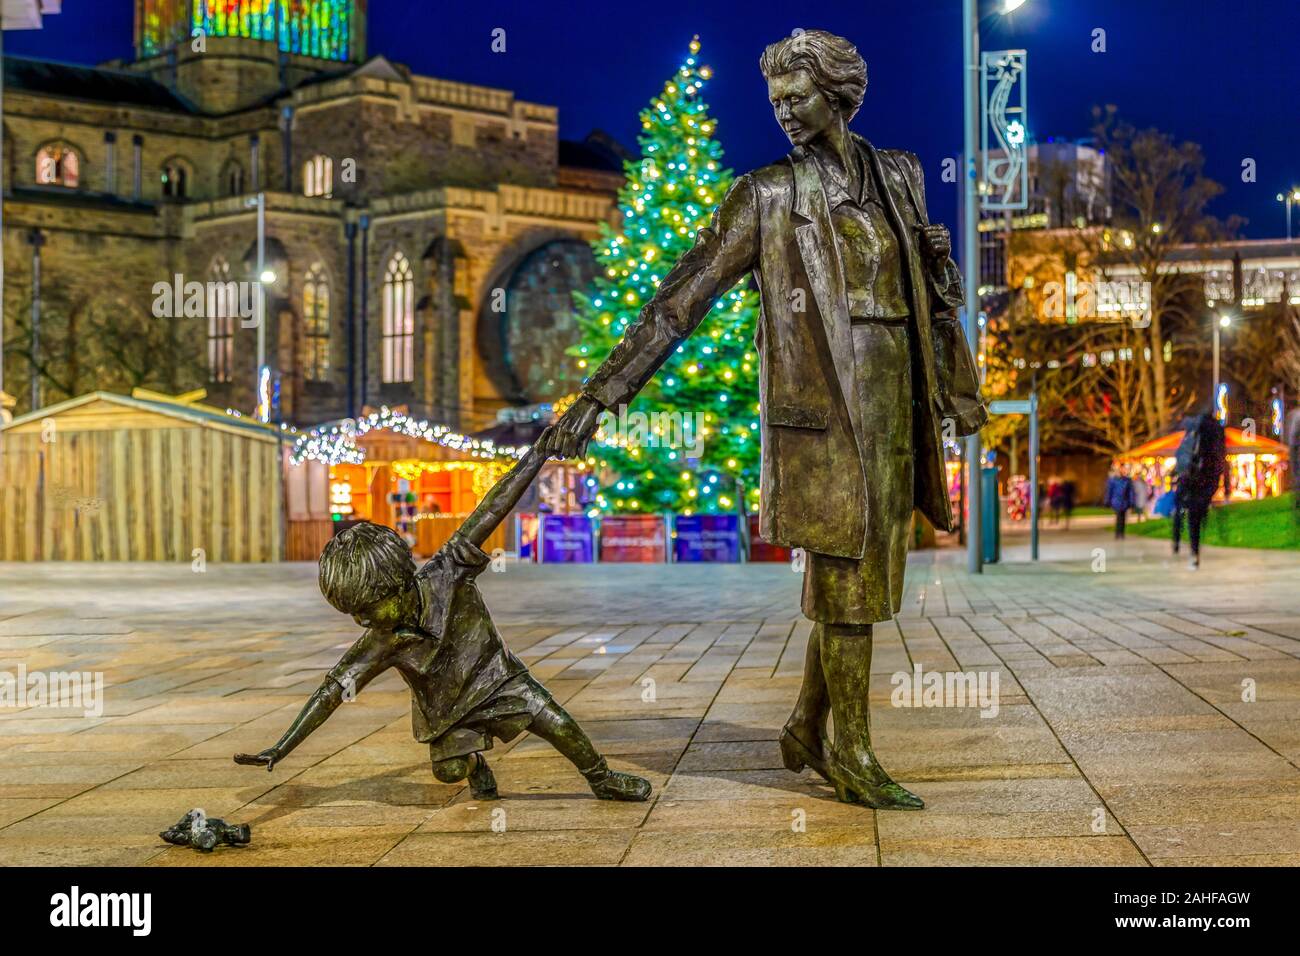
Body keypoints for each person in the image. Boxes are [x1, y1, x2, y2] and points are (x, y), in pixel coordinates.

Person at [538, 31, 985, 809]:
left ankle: (809, 729)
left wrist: (956, 381)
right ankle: (852, 753)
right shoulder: (767, 196)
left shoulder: (900, 176)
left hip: (893, 406)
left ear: (838, 94)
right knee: (846, 587)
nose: (784, 112)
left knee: (867, 583)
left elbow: (931, 294)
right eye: (775, 101)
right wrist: (600, 395)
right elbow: (681, 298)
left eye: (798, 97)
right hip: (822, 420)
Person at [234, 438, 651, 803]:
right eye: (353, 613)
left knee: (556, 722)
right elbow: (329, 694)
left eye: (368, 607)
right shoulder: (380, 641)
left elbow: (494, 506)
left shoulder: (448, 570)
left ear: (398, 583)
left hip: (497, 677)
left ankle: (601, 777)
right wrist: (281, 747)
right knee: (449, 771)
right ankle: (476, 766)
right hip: (446, 709)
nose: (362, 621)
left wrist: (539, 453)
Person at [1171, 412, 1230, 569]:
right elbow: (1223, 460)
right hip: (1208, 479)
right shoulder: (1218, 431)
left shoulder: (1193, 427)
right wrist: (1227, 488)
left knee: (1189, 515)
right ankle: (1194, 547)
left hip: (1190, 477)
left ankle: (1189, 549)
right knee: (1197, 513)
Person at [1104, 465, 1135, 539]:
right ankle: (1118, 533)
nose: (1122, 471)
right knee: (1118, 516)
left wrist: (1131, 501)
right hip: (1116, 501)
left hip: (1124, 501)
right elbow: (1109, 491)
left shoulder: (1128, 480)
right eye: (1121, 470)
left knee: (1123, 517)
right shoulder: (1113, 480)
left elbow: (1130, 492)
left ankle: (1121, 532)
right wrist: (1107, 501)